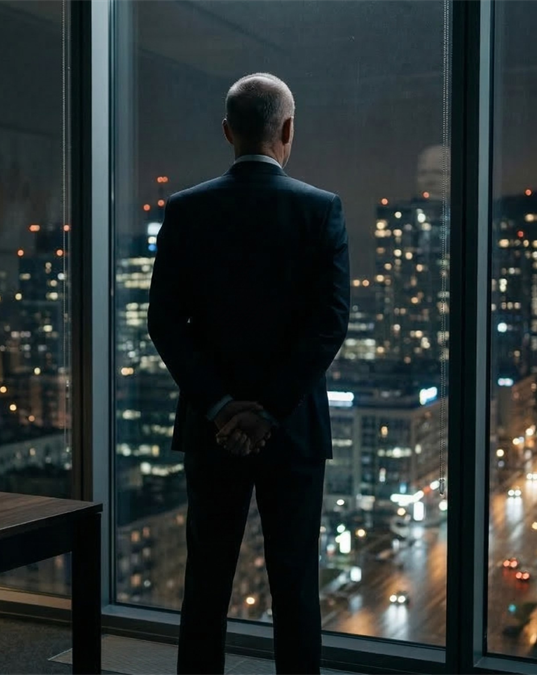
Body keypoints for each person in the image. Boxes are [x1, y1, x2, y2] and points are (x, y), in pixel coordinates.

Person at [147, 72, 351, 675]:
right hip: (292, 434)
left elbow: (164, 323)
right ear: (287, 130)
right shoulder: (321, 210)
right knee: (294, 584)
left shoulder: (185, 211)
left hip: (212, 432)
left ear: (227, 132)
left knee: (205, 583)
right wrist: (270, 410)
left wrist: (220, 406)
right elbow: (329, 325)